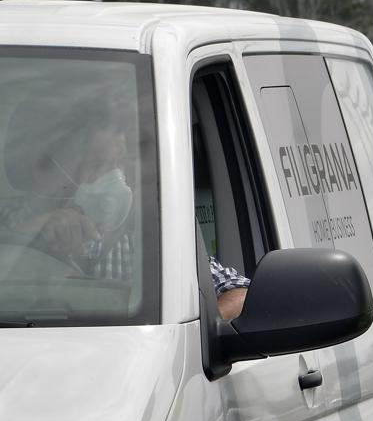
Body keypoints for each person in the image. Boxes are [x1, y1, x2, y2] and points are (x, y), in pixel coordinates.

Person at [0, 93, 249, 320]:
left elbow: (241, 294)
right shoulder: (6, 222)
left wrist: (200, 331)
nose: (116, 182)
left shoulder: (145, 237)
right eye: (98, 164)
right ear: (51, 168)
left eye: (119, 165)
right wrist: (31, 238)